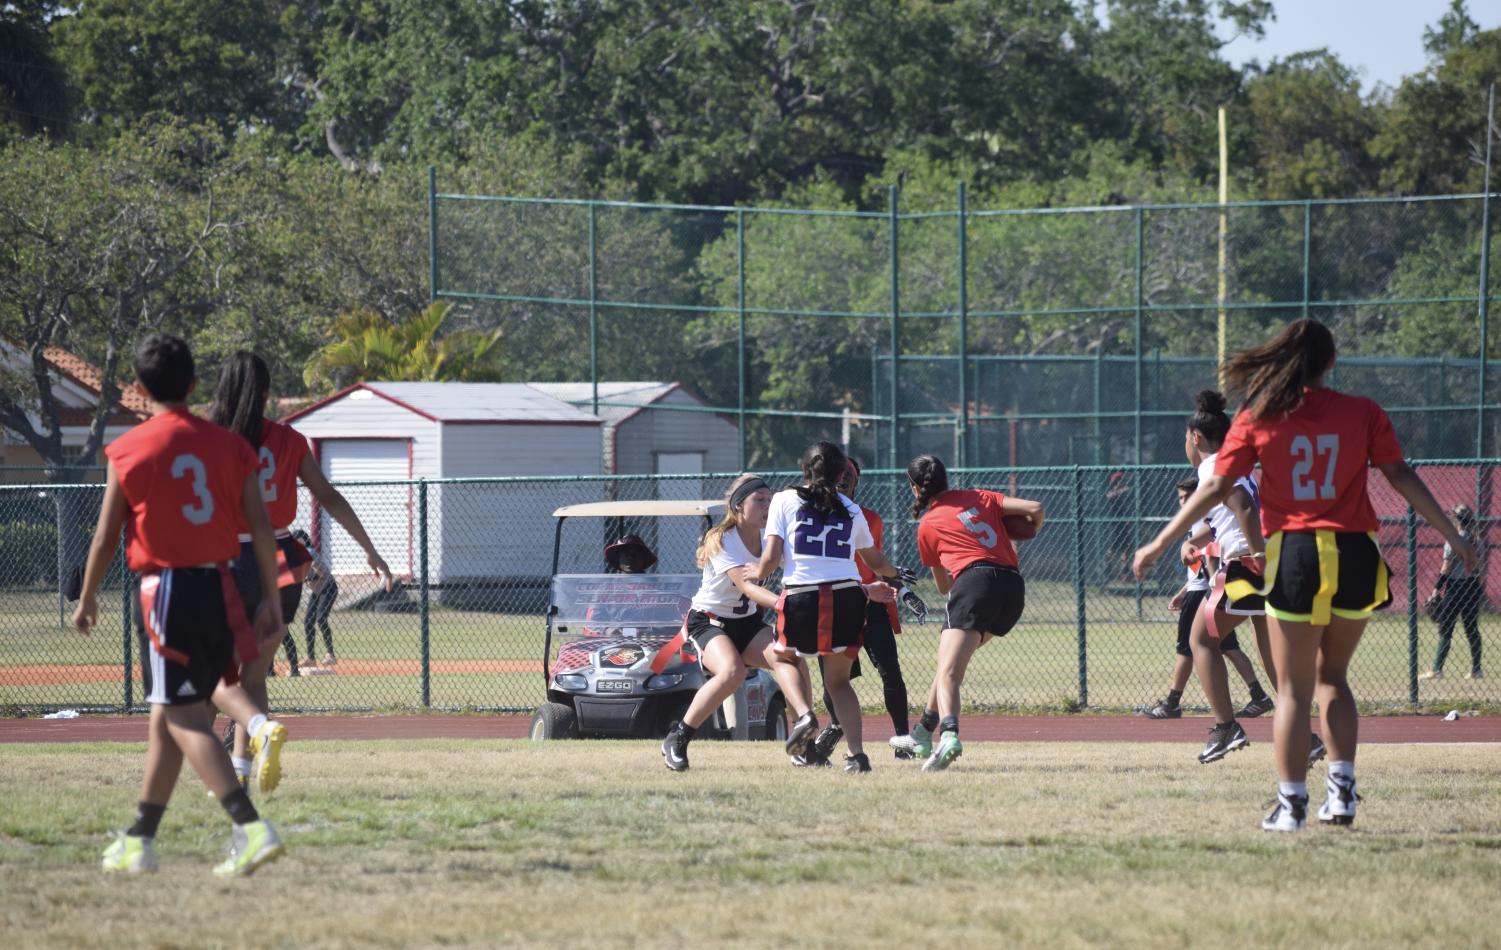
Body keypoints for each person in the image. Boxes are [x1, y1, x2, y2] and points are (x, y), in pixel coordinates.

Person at [1133, 319, 1477, 832]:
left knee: (1293, 690)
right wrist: (1454, 535)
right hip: (1356, 551)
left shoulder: (1258, 416)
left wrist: (1161, 541)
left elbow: (1216, 488)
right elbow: (1400, 476)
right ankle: (1341, 796)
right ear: (1331, 361)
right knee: (1332, 679)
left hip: (1295, 554)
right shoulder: (1363, 411)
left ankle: (1292, 805)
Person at [74, 334, 284, 876]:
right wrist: (270, 601)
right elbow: (261, 529)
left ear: (140, 391)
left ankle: (249, 825)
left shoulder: (129, 448)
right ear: (194, 385)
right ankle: (140, 838)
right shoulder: (231, 447)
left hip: (166, 592)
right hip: (222, 587)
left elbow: (104, 538)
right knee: (164, 717)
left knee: (186, 718)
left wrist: (89, 595)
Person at [209, 351, 392, 794]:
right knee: (254, 676)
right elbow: (328, 497)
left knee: (217, 678)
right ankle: (244, 768)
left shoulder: (211, 439)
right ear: (267, 393)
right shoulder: (290, 440)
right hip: (283, 562)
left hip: (229, 561)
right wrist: (370, 551)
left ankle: (243, 744)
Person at [752, 441, 900, 773]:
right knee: (839, 682)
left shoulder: (784, 500)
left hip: (802, 594)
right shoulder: (849, 507)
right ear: (839, 474)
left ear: (804, 469)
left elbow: (772, 558)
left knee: (782, 656)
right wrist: (893, 573)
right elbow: (873, 559)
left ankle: (805, 716)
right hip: (848, 596)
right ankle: (858, 756)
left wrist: (756, 573)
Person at [660, 475, 820, 771]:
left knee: (792, 657)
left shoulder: (771, 537)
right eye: (759, 499)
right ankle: (678, 737)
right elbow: (747, 587)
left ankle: (804, 735)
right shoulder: (722, 538)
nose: (767, 506)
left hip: (746, 623)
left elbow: (803, 568)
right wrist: (785, 603)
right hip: (709, 623)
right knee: (732, 672)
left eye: (770, 500)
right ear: (738, 506)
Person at [1172, 391, 1289, 765]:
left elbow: (1243, 507)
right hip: (1263, 557)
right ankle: (1304, 734)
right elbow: (1231, 516)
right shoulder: (1236, 464)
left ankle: (1227, 727)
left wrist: (1254, 555)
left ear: (1195, 438)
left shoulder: (1211, 468)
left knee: (1202, 641)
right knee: (1273, 658)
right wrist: (1195, 542)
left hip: (1246, 563)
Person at [909, 454, 1042, 772]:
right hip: (1012, 587)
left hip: (974, 584)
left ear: (915, 489)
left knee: (950, 673)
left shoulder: (928, 524)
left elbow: (944, 587)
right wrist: (1029, 531)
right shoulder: (979, 496)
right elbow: (1035, 509)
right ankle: (923, 732)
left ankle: (949, 737)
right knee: (947, 666)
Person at [803, 458, 924, 765]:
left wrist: (904, 591)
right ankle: (834, 727)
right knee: (835, 678)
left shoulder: (867, 517)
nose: (842, 480)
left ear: (856, 482)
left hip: (870, 607)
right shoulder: (812, 514)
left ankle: (902, 740)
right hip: (835, 604)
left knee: (890, 670)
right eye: (837, 475)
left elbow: (877, 564)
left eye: (848, 476)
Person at [1145, 476, 1273, 722]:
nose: (1184, 502)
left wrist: (1216, 575)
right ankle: (1263, 697)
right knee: (1230, 646)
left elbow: (1214, 551)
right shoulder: (1214, 513)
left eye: (1188, 497)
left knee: (1193, 644)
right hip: (1225, 579)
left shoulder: (1218, 477)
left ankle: (1178, 704)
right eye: (1180, 498)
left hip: (1225, 579)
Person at [1422, 504, 1484, 680]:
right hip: (1473, 586)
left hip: (1456, 588)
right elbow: (1480, 568)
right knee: (1471, 628)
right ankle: (1477, 670)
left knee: (1446, 627)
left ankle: (1437, 670)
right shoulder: (1477, 540)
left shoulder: (1454, 540)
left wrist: (1436, 590)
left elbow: (1446, 568)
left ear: (1455, 520)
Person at [294, 528, 338, 668]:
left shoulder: (309, 553)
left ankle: (330, 655)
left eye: (298, 540)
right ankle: (310, 658)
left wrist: (304, 577)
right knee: (308, 622)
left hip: (328, 588)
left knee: (321, 618)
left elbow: (321, 574)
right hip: (317, 591)